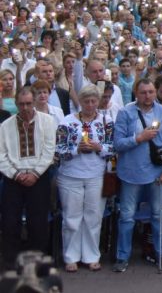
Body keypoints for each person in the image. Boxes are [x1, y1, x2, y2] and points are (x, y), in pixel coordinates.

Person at [112, 77, 162, 273]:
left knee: (160, 215)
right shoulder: (126, 112)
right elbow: (118, 144)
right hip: (131, 172)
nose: (147, 96)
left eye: (150, 92)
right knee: (126, 217)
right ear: (136, 92)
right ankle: (122, 256)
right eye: (143, 92)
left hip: (158, 172)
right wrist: (138, 138)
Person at [54, 84, 112, 271]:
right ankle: (71, 256)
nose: (90, 105)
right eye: (86, 101)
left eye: (93, 101)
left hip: (96, 174)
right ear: (80, 102)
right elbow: (58, 149)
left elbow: (112, 147)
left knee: (93, 216)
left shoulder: (106, 121)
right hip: (71, 175)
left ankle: (91, 255)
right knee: (71, 217)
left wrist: (99, 148)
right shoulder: (67, 121)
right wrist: (75, 149)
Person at [0, 87, 57, 270]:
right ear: (16, 104)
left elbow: (49, 151)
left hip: (38, 177)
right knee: (10, 222)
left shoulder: (47, 121)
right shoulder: (5, 126)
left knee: (38, 223)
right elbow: (1, 155)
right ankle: (11, 263)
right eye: (21, 104)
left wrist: (34, 174)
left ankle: (37, 263)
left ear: (34, 102)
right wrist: (16, 174)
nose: (25, 108)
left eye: (28, 103)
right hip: (13, 178)